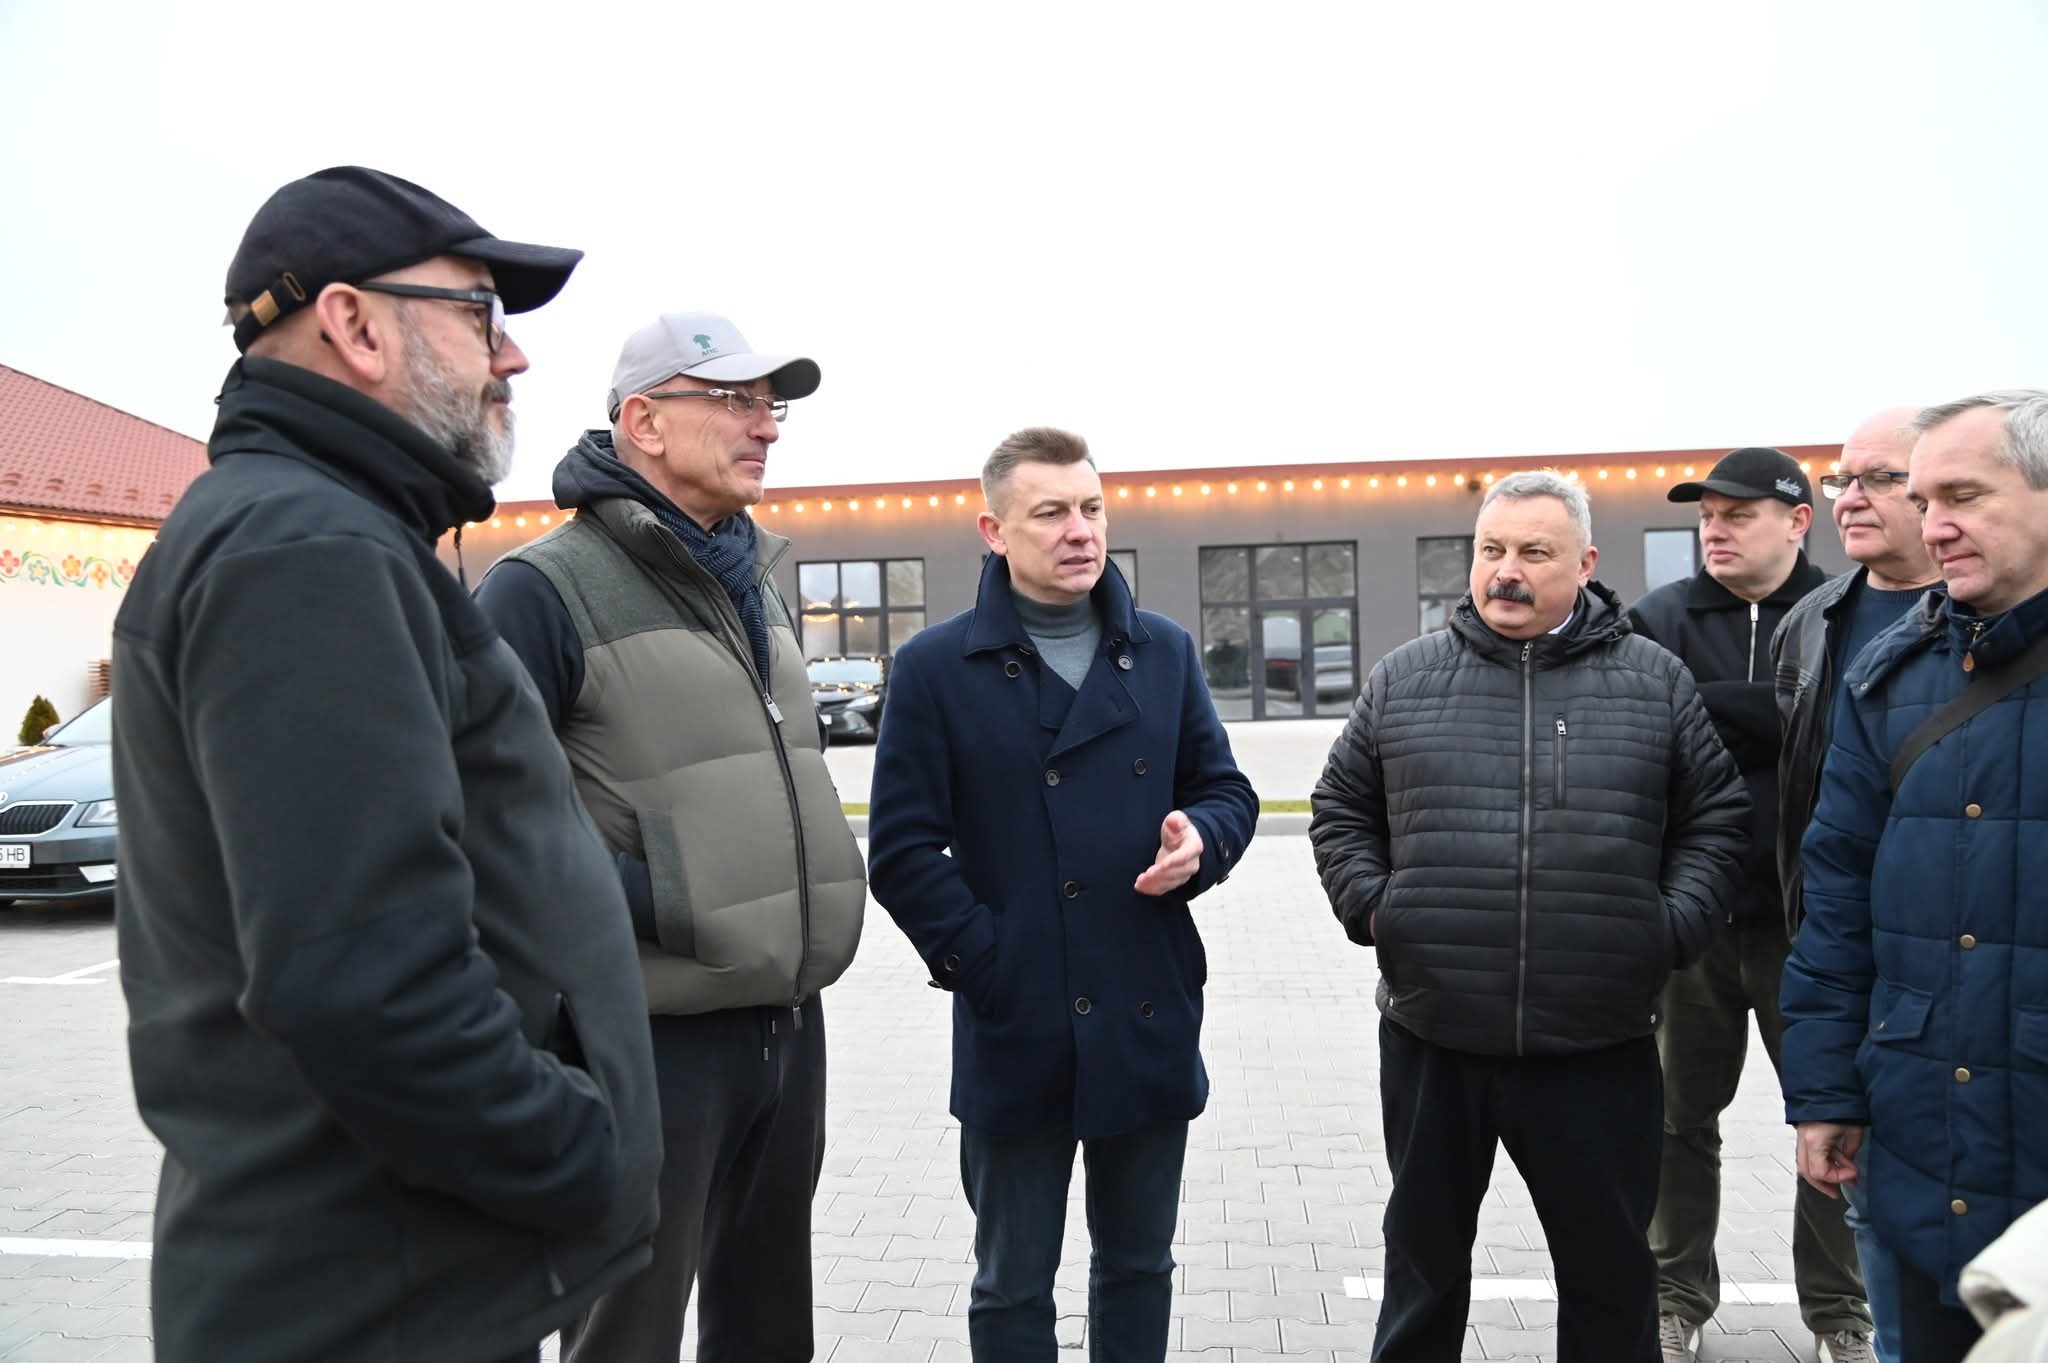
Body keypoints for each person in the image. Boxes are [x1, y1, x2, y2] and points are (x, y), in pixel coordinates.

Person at [111, 166, 662, 1363]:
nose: (511, 354)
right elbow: (361, 978)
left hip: (389, 1281)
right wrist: (578, 1151)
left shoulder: (321, 530)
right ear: (354, 324)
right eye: (478, 312)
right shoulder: (304, 550)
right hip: (374, 1300)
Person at [475, 312, 865, 1363]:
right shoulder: (540, 589)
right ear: (643, 421)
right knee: (627, 1331)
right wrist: (665, 901)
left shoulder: (753, 581)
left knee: (769, 1327)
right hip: (646, 1037)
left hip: (785, 1022)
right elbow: (481, 830)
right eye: (735, 401)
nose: (765, 427)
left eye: (769, 405)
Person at [1311, 470, 1750, 1362]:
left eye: (1534, 552)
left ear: (1585, 563)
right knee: (1422, 1268)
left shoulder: (1653, 681)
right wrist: (1382, 912)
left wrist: (1663, 932)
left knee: (1609, 1276)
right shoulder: (1405, 678)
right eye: (1491, 550)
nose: (1505, 571)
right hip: (1436, 1033)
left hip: (1598, 1042)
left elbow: (1717, 821)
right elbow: (1341, 809)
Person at [866, 426, 1257, 1362]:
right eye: (1050, 513)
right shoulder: (935, 668)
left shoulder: (1164, 652)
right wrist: (989, 963)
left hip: (1145, 1004)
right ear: (994, 530)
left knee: (1139, 1266)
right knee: (1011, 1284)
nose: (1080, 530)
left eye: (1091, 508)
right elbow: (903, 851)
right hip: (1018, 1020)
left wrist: (1201, 840)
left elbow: (1227, 790)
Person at [1782, 389, 2048, 1363]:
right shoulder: (1886, 678)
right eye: (1926, 499)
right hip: (1914, 1141)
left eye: (1964, 496)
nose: (1934, 525)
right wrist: (1823, 1093)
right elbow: (1836, 897)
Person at [1627, 446, 1871, 1362]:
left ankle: (1840, 1310)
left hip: (1812, 925)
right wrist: (1773, 712)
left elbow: (1838, 729)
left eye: (1737, 514)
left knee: (1834, 1114)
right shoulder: (1658, 619)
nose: (1715, 530)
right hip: (1692, 922)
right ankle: (1675, 1296)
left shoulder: (1843, 614)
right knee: (1674, 1120)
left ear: (1798, 520)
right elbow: (1653, 732)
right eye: (1706, 516)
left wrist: (1717, 706)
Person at [1772, 408, 1944, 1363]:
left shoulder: (1990, 619)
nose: (1852, 498)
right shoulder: (1816, 619)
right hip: (1839, 941)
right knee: (1842, 1149)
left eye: (1882, 477)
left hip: (1956, 957)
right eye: (1844, 479)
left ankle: (1841, 1315)